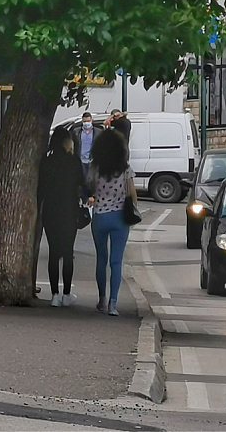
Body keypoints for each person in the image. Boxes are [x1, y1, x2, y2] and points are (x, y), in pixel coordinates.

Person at [87, 130, 136, 316]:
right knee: (116, 262)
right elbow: (131, 193)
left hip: (99, 216)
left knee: (101, 259)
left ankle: (101, 298)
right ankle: (113, 304)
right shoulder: (125, 168)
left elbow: (90, 189)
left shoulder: (95, 167)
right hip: (119, 217)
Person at [37, 127, 85, 307]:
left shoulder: (46, 161)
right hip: (69, 210)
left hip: (50, 210)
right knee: (67, 252)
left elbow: (40, 188)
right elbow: (81, 183)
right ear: (67, 141)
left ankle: (54, 295)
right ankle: (66, 294)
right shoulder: (73, 161)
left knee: (53, 253)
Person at [73, 112, 103, 197]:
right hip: (81, 160)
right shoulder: (76, 132)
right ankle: (83, 198)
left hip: (92, 160)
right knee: (82, 181)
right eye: (85, 121)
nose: (87, 123)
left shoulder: (98, 132)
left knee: (92, 181)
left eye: (88, 121)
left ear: (91, 120)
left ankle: (92, 196)